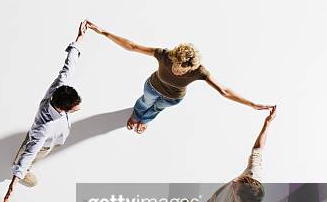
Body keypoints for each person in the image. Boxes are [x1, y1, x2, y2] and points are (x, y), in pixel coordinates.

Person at [86, 21, 273, 134]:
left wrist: (252, 104)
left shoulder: (200, 71)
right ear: (173, 58)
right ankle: (136, 115)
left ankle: (145, 121)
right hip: (153, 86)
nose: (178, 71)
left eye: (183, 71)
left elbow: (224, 91)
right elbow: (133, 47)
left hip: (173, 98)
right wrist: (103, 32)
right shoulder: (164, 54)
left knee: (157, 108)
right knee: (145, 102)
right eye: (176, 67)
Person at [1, 20, 88, 202]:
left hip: (53, 137)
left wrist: (78, 40)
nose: (79, 106)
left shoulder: (60, 86)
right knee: (30, 153)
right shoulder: (43, 129)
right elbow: (31, 153)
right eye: (76, 106)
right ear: (63, 108)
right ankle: (19, 170)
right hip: (45, 142)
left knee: (35, 145)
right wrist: (11, 189)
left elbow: (69, 66)